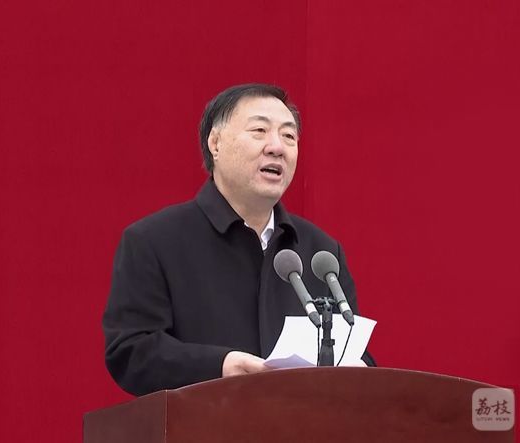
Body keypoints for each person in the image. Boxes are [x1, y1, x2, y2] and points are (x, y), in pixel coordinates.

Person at [103, 83, 374, 396]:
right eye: (259, 130)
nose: (277, 147)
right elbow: (131, 350)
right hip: (203, 419)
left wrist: (360, 371)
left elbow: (354, 351)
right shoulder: (154, 241)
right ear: (215, 143)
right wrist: (220, 365)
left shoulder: (321, 254)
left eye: (289, 136)